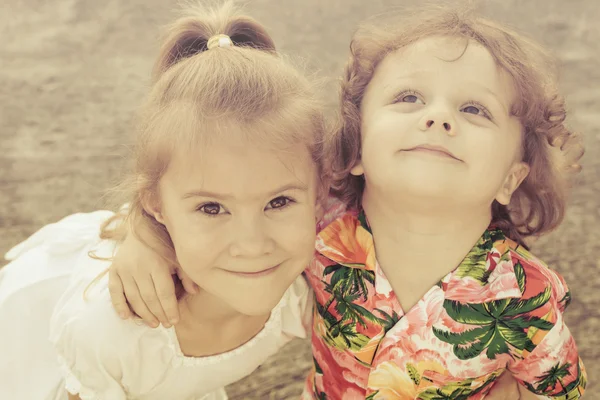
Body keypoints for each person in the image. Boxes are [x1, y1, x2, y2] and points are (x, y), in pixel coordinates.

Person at [108, 4, 588, 400]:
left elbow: (560, 389)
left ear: (510, 178)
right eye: (408, 98)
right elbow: (214, 192)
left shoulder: (527, 297)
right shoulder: (314, 223)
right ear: (355, 148)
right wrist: (142, 238)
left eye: (473, 109)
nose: (438, 117)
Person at [0, 2, 327, 398]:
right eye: (211, 207)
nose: (252, 244)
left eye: (278, 202)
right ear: (155, 206)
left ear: (321, 191)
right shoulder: (111, 330)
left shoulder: (315, 278)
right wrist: (136, 231)